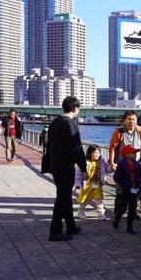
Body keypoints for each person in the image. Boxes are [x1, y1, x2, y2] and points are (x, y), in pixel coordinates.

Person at [45, 97, 88, 242]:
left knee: (64, 195)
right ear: (75, 108)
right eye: (79, 108)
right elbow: (76, 147)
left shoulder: (55, 122)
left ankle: (71, 226)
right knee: (62, 198)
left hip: (55, 164)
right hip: (65, 166)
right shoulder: (70, 123)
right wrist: (83, 167)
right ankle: (55, 231)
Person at [112, 145, 141, 234]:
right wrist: (125, 183)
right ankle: (117, 219)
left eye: (135, 152)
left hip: (135, 190)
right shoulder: (122, 164)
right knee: (123, 208)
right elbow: (116, 177)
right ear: (126, 154)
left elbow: (140, 174)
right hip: (125, 190)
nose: (135, 154)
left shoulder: (137, 163)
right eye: (133, 152)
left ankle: (130, 227)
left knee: (133, 209)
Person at [76, 144, 109, 221]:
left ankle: (101, 214)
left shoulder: (101, 162)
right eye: (95, 152)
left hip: (97, 184)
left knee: (99, 200)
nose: (97, 155)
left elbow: (107, 169)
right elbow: (78, 174)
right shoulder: (84, 163)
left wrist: (112, 167)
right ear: (89, 153)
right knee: (84, 200)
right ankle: (81, 212)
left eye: (98, 153)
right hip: (87, 184)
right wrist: (78, 183)